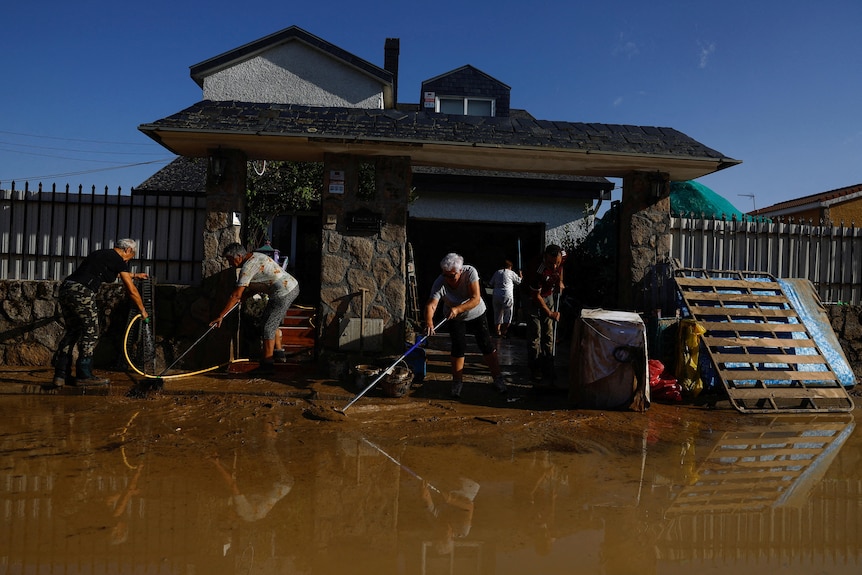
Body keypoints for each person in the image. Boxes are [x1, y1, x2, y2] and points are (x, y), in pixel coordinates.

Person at [51, 238, 149, 389]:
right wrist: (142, 309)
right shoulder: (119, 260)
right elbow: (131, 289)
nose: (131, 258)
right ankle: (84, 375)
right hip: (82, 291)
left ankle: (60, 375)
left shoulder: (100, 254)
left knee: (73, 331)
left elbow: (109, 273)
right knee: (91, 332)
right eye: (132, 255)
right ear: (128, 250)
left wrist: (135, 275)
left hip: (66, 288)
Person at [424, 253, 507, 397]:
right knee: (458, 347)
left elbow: (475, 298)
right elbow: (431, 305)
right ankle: (457, 382)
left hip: (476, 313)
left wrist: (457, 309)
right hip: (454, 317)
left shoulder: (470, 272)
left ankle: (498, 378)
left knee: (486, 345)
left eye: (452, 276)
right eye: (445, 275)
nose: (448, 279)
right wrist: (429, 322)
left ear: (460, 271)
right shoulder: (440, 281)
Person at [210, 242, 299, 375]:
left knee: (268, 326)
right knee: (270, 321)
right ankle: (279, 354)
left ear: (239, 256)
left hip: (284, 292)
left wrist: (221, 315)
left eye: (230, 260)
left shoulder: (247, 267)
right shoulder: (256, 256)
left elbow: (235, 294)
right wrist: (245, 298)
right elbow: (260, 282)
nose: (229, 264)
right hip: (289, 287)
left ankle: (267, 364)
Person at [525, 244, 566, 385]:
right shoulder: (537, 270)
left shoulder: (563, 256)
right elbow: (536, 296)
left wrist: (560, 281)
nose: (554, 267)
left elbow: (560, 268)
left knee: (549, 334)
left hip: (548, 296)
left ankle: (548, 365)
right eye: (550, 263)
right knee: (535, 335)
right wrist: (550, 313)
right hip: (533, 299)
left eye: (557, 263)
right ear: (544, 258)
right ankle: (535, 369)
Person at [488, 259, 522, 338]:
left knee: (497, 314)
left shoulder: (497, 272)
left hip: (496, 294)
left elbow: (490, 283)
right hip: (507, 294)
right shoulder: (511, 273)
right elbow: (519, 282)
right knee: (508, 314)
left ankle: (497, 331)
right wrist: (520, 275)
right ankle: (504, 332)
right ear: (510, 267)